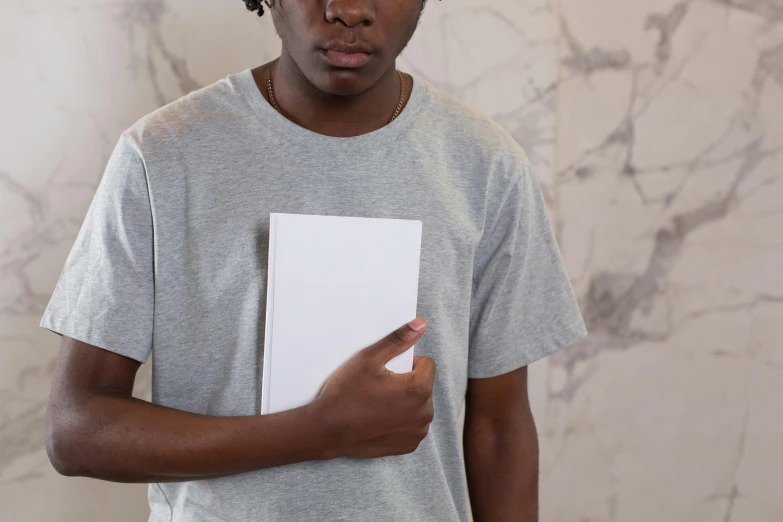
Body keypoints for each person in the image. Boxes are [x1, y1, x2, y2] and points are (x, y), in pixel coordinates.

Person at [39, 0, 588, 520]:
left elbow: (500, 425)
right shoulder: (161, 154)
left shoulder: (486, 166)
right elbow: (76, 428)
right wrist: (318, 431)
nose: (348, 9)